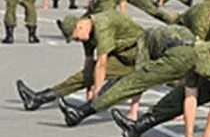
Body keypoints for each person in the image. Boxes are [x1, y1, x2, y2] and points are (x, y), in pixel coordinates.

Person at [57, 24, 198, 126]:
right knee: (187, 88)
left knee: (128, 84)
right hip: (194, 55)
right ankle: (138, 128)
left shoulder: (144, 40)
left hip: (174, 56)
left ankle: (80, 113)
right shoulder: (179, 29)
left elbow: (138, 81)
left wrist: (133, 111)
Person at [16, 12, 144, 113]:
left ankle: (83, 110)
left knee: (157, 79)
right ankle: (38, 98)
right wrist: (89, 87)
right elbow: (89, 64)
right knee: (81, 77)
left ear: (80, 26)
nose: (77, 41)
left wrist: (97, 91)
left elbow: (101, 64)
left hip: (141, 55)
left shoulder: (102, 27)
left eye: (76, 37)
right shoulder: (87, 34)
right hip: (122, 55)